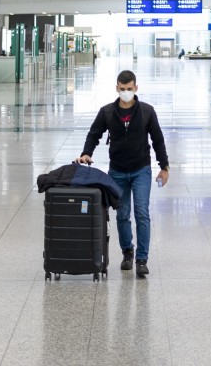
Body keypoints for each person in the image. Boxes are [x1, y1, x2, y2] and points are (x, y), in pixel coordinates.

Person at [78, 70, 169, 278]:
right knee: (122, 214)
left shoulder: (147, 111)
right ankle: (127, 252)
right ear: (116, 88)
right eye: (122, 89)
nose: (126, 92)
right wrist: (86, 153)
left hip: (141, 170)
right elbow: (94, 134)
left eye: (129, 89)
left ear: (136, 88)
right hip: (117, 171)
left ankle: (142, 259)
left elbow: (158, 140)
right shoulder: (108, 112)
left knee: (142, 212)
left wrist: (164, 167)